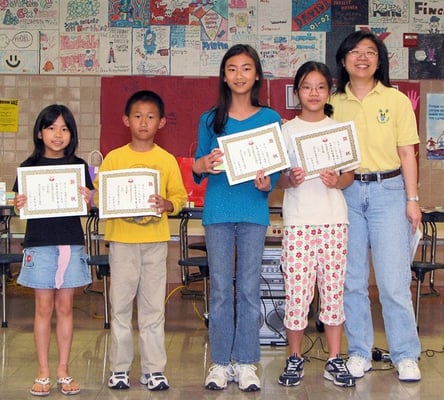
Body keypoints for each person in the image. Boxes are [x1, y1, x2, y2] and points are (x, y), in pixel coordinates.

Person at [330, 30, 422, 382]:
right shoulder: (332, 102)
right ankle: (358, 351)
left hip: (389, 191)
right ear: (343, 60)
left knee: (393, 281)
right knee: (351, 280)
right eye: (355, 51)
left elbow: (407, 153)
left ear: (380, 60)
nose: (362, 57)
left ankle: (405, 353)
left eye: (370, 51)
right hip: (346, 194)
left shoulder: (396, 101)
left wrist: (412, 200)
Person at [192, 44, 282, 392]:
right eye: (232, 68)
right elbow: (199, 165)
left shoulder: (270, 119)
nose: (239, 75)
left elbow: (274, 171)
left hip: (253, 210)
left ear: (256, 75)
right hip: (217, 210)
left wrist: (266, 183)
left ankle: (246, 362)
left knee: (247, 289)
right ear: (224, 76)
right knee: (219, 290)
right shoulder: (209, 118)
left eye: (246, 68)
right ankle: (219, 363)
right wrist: (204, 164)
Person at [94, 90, 187, 391]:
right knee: (120, 306)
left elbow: (180, 198)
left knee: (152, 308)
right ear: (126, 120)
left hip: (155, 242)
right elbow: (100, 196)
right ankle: (119, 369)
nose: (143, 122)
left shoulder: (166, 160)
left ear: (161, 122)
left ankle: (154, 370)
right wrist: (90, 196)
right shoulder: (114, 158)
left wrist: (167, 204)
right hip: (121, 241)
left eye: (150, 117)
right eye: (137, 116)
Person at [276, 61, 355, 388]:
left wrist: (337, 180)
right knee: (297, 294)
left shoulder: (339, 128)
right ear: (297, 93)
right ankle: (295, 358)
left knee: (334, 293)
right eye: (307, 87)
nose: (313, 93)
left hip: (334, 222)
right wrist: (289, 179)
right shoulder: (285, 130)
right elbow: (276, 179)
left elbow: (350, 175)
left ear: (329, 91)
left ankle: (335, 360)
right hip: (298, 224)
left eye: (320, 87)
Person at [13, 104, 93, 396]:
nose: (58, 134)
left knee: (65, 307)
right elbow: (17, 204)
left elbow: (88, 207)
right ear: (39, 132)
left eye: (64, 128)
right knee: (43, 308)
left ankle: (63, 371)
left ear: (71, 134)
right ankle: (43, 372)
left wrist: (89, 199)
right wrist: (17, 204)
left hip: (69, 242)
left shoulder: (79, 166)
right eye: (51, 128)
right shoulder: (28, 167)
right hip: (39, 243)